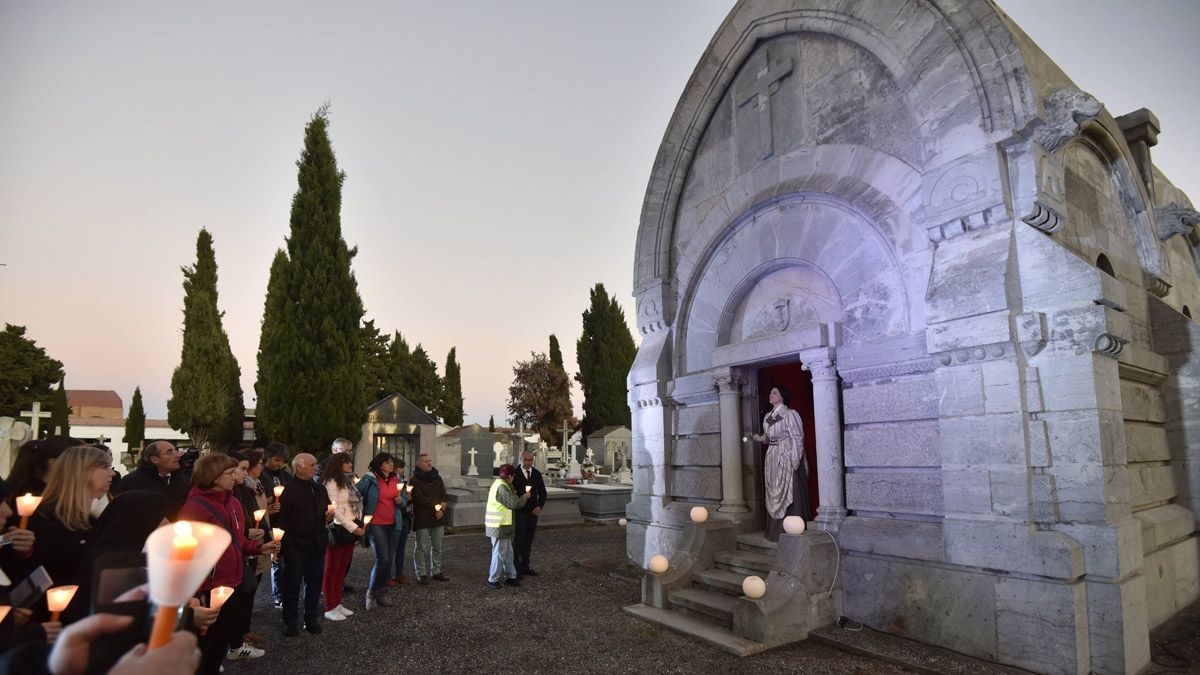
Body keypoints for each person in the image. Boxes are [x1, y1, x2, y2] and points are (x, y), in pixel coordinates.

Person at [177, 453, 277, 674]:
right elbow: (187, 554)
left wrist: (258, 548)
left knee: (220, 641)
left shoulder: (232, 501)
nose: (236, 476)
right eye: (230, 473)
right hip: (210, 587)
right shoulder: (195, 508)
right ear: (213, 476)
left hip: (233, 582)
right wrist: (200, 591)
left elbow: (236, 538)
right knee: (205, 645)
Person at [24, 445, 112, 594]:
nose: (112, 473)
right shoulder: (45, 517)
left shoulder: (91, 519)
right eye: (105, 467)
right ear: (81, 471)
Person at [275, 453, 332, 637]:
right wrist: (286, 544)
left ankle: (311, 619)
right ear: (299, 468)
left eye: (315, 464)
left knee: (314, 583)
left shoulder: (319, 489)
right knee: (292, 584)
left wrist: (329, 516)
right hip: (295, 544)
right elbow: (281, 520)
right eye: (311, 465)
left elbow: (327, 510)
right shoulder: (288, 491)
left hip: (317, 543)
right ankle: (290, 622)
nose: (316, 467)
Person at [750, 385, 812, 542]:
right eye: (770, 392)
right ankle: (774, 530)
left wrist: (795, 458)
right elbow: (768, 437)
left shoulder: (790, 414)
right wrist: (757, 438)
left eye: (775, 392)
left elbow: (797, 437)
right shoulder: (769, 416)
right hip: (772, 456)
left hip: (786, 456)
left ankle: (791, 526)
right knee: (773, 490)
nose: (771, 394)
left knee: (790, 489)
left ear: (782, 396)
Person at [355, 453, 405, 608]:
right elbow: (356, 494)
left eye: (392, 463)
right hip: (376, 523)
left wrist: (401, 501)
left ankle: (381, 592)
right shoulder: (370, 478)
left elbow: (404, 501)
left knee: (389, 559)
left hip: (394, 523)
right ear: (380, 464)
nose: (391, 465)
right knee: (382, 558)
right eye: (388, 463)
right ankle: (371, 592)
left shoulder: (398, 479)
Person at [233, 448, 271, 647]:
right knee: (242, 593)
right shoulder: (239, 490)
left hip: (255, 542)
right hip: (243, 546)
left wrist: (264, 531)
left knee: (250, 590)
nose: (246, 473)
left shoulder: (252, 487)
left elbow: (257, 512)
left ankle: (244, 631)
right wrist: (248, 533)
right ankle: (237, 638)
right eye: (243, 468)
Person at [321, 451, 364, 620]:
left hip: (350, 528)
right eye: (346, 462)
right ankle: (329, 606)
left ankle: (337, 602)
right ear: (338, 464)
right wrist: (354, 528)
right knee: (332, 569)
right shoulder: (331, 481)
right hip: (339, 529)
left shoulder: (346, 480)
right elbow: (336, 509)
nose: (350, 465)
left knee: (342, 569)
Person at [111, 440, 189, 520]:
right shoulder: (131, 483)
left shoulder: (181, 478)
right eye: (169, 453)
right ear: (154, 459)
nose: (177, 455)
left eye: (176, 451)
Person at [484, 464, 529, 589]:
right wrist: (524, 497)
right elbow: (514, 503)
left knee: (508, 552)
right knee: (500, 553)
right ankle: (493, 579)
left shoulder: (501, 485)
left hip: (503, 524)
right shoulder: (502, 487)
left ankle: (511, 576)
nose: (513, 478)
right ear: (509, 476)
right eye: (513, 476)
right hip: (499, 525)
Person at [409, 453, 448, 584]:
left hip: (438, 517)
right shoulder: (414, 480)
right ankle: (421, 573)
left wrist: (442, 509)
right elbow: (419, 499)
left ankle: (436, 570)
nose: (429, 463)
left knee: (437, 546)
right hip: (423, 518)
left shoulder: (438, 478)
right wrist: (437, 505)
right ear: (419, 464)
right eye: (425, 461)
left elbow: (443, 494)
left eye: (430, 461)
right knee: (421, 547)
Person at [260, 443, 291, 608]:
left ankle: (286, 592)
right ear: (267, 457)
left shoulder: (286, 475)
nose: (279, 464)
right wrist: (268, 508)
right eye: (276, 460)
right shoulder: (261, 475)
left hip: (285, 521)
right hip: (270, 523)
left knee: (286, 559)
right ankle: (278, 595)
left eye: (282, 460)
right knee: (278, 561)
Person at [511, 450, 547, 578]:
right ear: (521, 459)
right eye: (525, 460)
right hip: (520, 513)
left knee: (528, 541)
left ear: (533, 460)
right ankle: (515, 569)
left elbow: (543, 492)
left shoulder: (536, 474)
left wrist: (539, 506)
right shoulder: (515, 474)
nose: (528, 463)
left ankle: (525, 566)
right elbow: (511, 493)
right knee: (518, 541)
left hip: (533, 513)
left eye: (530, 460)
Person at [388, 458, 412, 587]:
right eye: (402, 468)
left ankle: (399, 573)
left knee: (401, 548)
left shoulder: (402, 481)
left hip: (404, 518)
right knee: (391, 549)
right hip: (394, 518)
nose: (403, 471)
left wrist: (406, 499)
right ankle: (387, 575)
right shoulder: (392, 481)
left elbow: (404, 500)